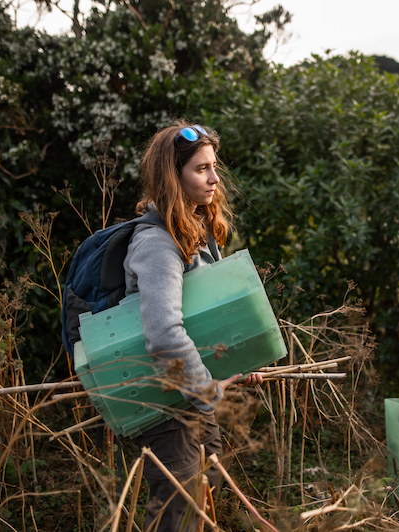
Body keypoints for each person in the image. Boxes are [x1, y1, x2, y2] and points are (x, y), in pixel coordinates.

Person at [123, 121, 262, 531]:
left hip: (192, 392)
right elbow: (164, 335)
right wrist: (208, 391)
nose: (215, 178)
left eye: (213, 166)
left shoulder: (196, 231)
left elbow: (207, 318)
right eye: (202, 169)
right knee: (178, 508)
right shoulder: (157, 245)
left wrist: (242, 358)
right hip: (164, 398)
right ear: (173, 176)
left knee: (208, 479)